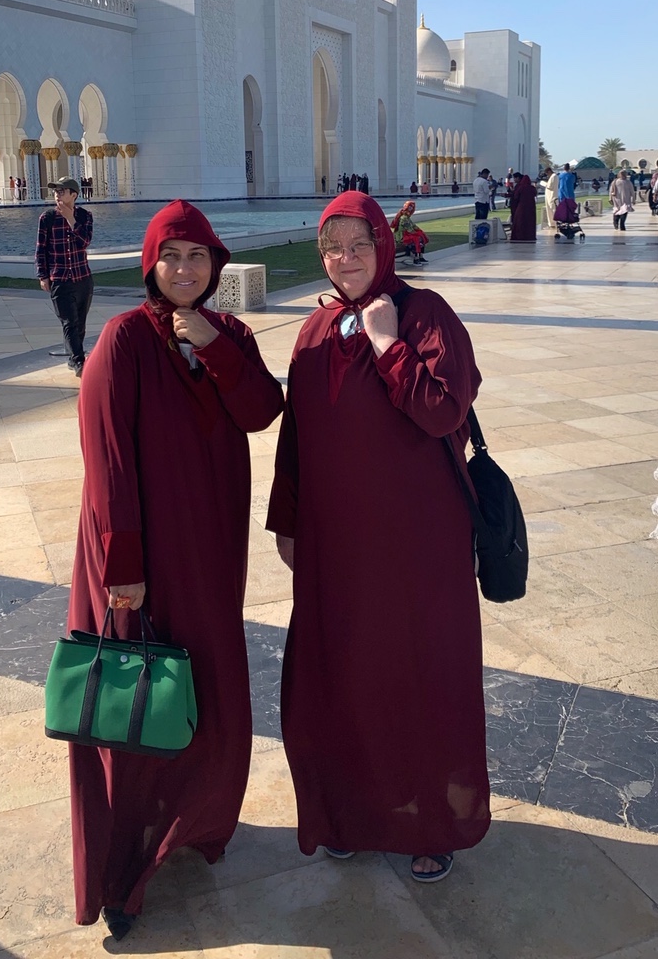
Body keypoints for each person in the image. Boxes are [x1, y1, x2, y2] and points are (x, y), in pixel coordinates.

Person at [67, 200, 283, 938]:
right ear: (150, 265)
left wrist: (214, 344)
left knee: (200, 682)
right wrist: (121, 564)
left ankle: (196, 821)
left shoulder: (233, 333)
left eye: (198, 258)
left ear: (215, 267)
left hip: (209, 550)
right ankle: (127, 864)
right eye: (172, 257)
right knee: (134, 698)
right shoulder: (124, 339)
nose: (185, 270)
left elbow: (261, 410)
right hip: (141, 553)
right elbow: (107, 459)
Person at [266, 190, 489, 882]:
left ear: (383, 246)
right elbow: (295, 437)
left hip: (420, 546)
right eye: (333, 247)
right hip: (339, 545)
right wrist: (288, 518)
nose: (346, 259)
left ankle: (430, 824)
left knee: (419, 676)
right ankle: (352, 814)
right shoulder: (312, 330)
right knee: (348, 678)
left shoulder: (424, 315)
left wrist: (389, 342)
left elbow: (442, 409)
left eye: (360, 244)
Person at [35, 178, 94, 376]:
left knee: (80, 322)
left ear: (74, 195)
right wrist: (43, 275)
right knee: (69, 322)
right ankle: (79, 361)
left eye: (62, 191)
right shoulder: (47, 218)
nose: (57, 194)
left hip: (82, 278)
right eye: (56, 191)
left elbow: (84, 242)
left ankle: (73, 357)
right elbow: (41, 250)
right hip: (60, 279)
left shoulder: (85, 216)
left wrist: (71, 219)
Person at [509, 171, 537, 241]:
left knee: (520, 222)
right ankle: (529, 236)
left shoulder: (520, 187)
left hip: (521, 207)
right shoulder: (532, 188)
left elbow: (515, 197)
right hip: (531, 208)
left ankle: (519, 236)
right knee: (529, 222)